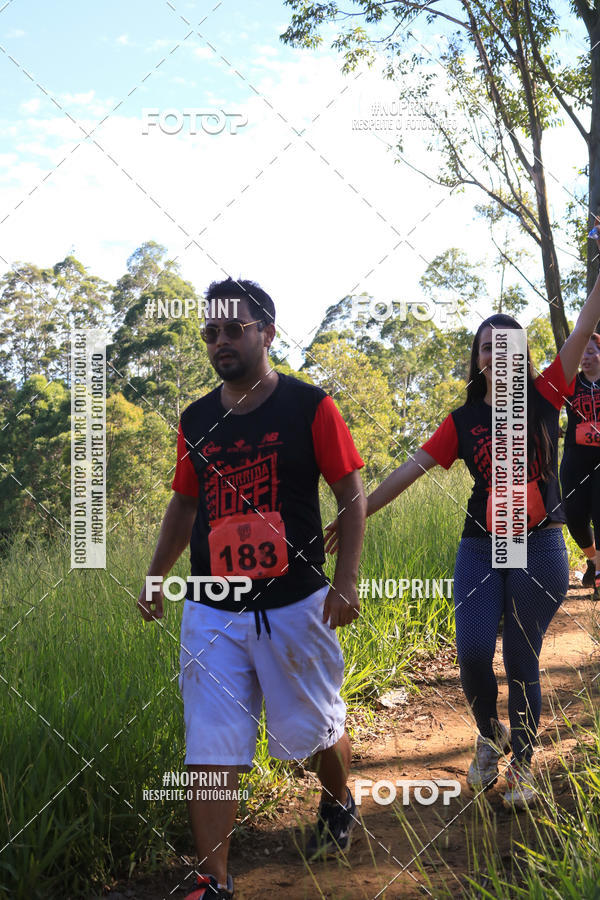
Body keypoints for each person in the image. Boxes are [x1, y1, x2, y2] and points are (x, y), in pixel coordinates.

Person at [326, 266, 600, 810]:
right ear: (476, 359)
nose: (494, 356)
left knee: (522, 656)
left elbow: (587, 319)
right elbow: (409, 471)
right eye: (483, 349)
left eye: (505, 347)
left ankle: (522, 762)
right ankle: (488, 732)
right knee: (473, 652)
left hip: (539, 542)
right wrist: (356, 512)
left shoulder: (548, 391)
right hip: (482, 543)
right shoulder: (464, 419)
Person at [137, 278, 366, 899]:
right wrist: (157, 576)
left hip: (295, 604)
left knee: (313, 728)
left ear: (267, 330)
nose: (220, 342)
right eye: (210, 332)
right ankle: (214, 880)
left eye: (234, 329)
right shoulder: (197, 419)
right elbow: (185, 503)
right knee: (211, 742)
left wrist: (344, 582)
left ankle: (338, 802)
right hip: (212, 608)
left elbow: (350, 493)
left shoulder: (309, 406)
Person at [560, 333, 600, 597]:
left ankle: (598, 578)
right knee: (574, 519)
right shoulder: (570, 385)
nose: (584, 358)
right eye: (581, 353)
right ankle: (594, 560)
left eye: (590, 352)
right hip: (574, 463)